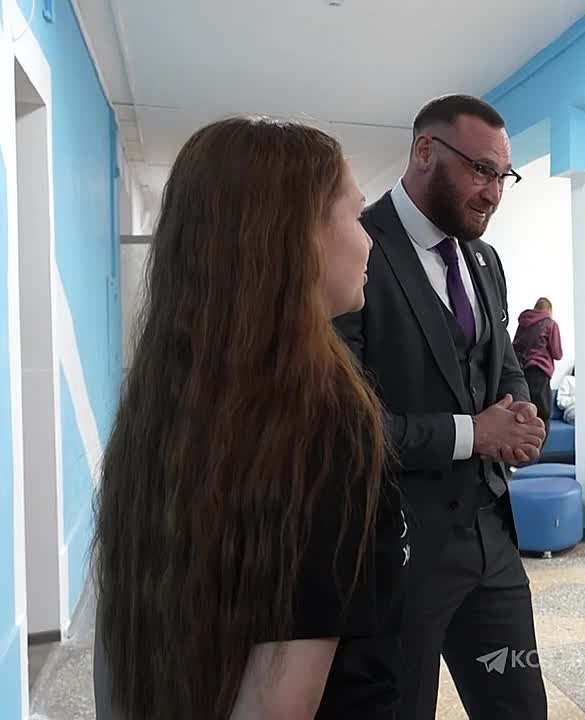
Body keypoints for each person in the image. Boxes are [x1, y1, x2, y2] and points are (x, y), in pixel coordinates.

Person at [92, 117, 408, 719]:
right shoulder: (322, 420)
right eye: (355, 215)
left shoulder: (162, 404)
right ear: (297, 238)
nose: (370, 241)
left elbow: (118, 656)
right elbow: (277, 706)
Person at [334, 94, 549, 719]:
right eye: (481, 170)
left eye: (503, 176)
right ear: (426, 150)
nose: (493, 193)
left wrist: (520, 417)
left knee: (520, 707)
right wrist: (472, 434)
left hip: (492, 539)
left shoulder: (484, 259)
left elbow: (502, 363)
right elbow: (347, 429)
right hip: (398, 548)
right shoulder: (354, 252)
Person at [513, 297, 563, 431]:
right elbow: (557, 353)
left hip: (522, 373)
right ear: (549, 310)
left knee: (525, 414)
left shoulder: (523, 323)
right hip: (540, 372)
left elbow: (515, 347)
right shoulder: (550, 324)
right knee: (543, 416)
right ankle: (540, 445)